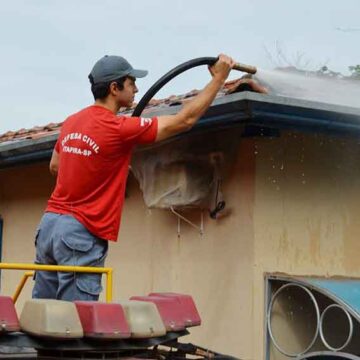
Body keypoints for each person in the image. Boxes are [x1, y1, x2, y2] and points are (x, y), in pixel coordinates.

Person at [32, 54, 235, 301]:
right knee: (73, 324)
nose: (136, 88)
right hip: (79, 233)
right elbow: (185, 120)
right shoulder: (118, 128)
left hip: (49, 226)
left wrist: (99, 168)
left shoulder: (72, 122)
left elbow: (56, 166)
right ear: (114, 88)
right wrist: (219, 78)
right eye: (131, 83)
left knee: (42, 317)